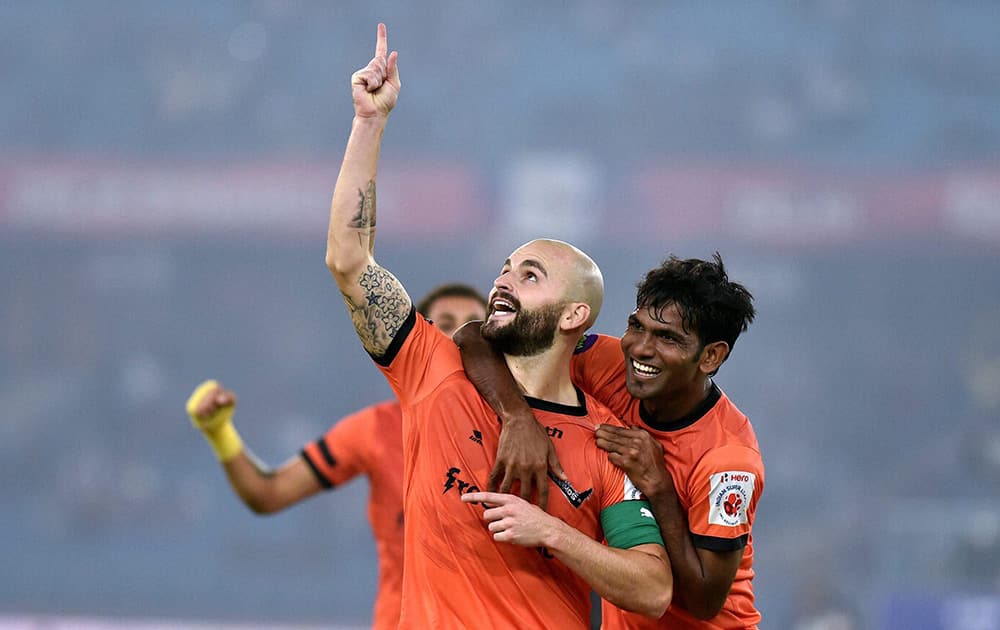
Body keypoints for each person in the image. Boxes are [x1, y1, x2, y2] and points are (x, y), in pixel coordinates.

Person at [323, 23, 672, 629]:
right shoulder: (432, 370)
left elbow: (653, 588)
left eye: (530, 274)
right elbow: (350, 262)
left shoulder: (607, 441)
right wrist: (368, 124)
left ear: (574, 316)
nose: (503, 280)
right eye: (505, 269)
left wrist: (551, 532)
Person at [459, 253, 764, 629]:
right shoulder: (606, 365)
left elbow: (705, 600)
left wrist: (660, 488)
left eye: (667, 338)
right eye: (637, 326)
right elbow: (475, 337)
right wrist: (516, 416)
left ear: (711, 355)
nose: (640, 348)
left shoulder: (728, 460)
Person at [185, 283, 487, 630]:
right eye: (445, 324)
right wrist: (220, 433)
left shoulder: (521, 432)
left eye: (474, 325)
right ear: (420, 340)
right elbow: (267, 494)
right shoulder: (375, 429)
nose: (459, 337)